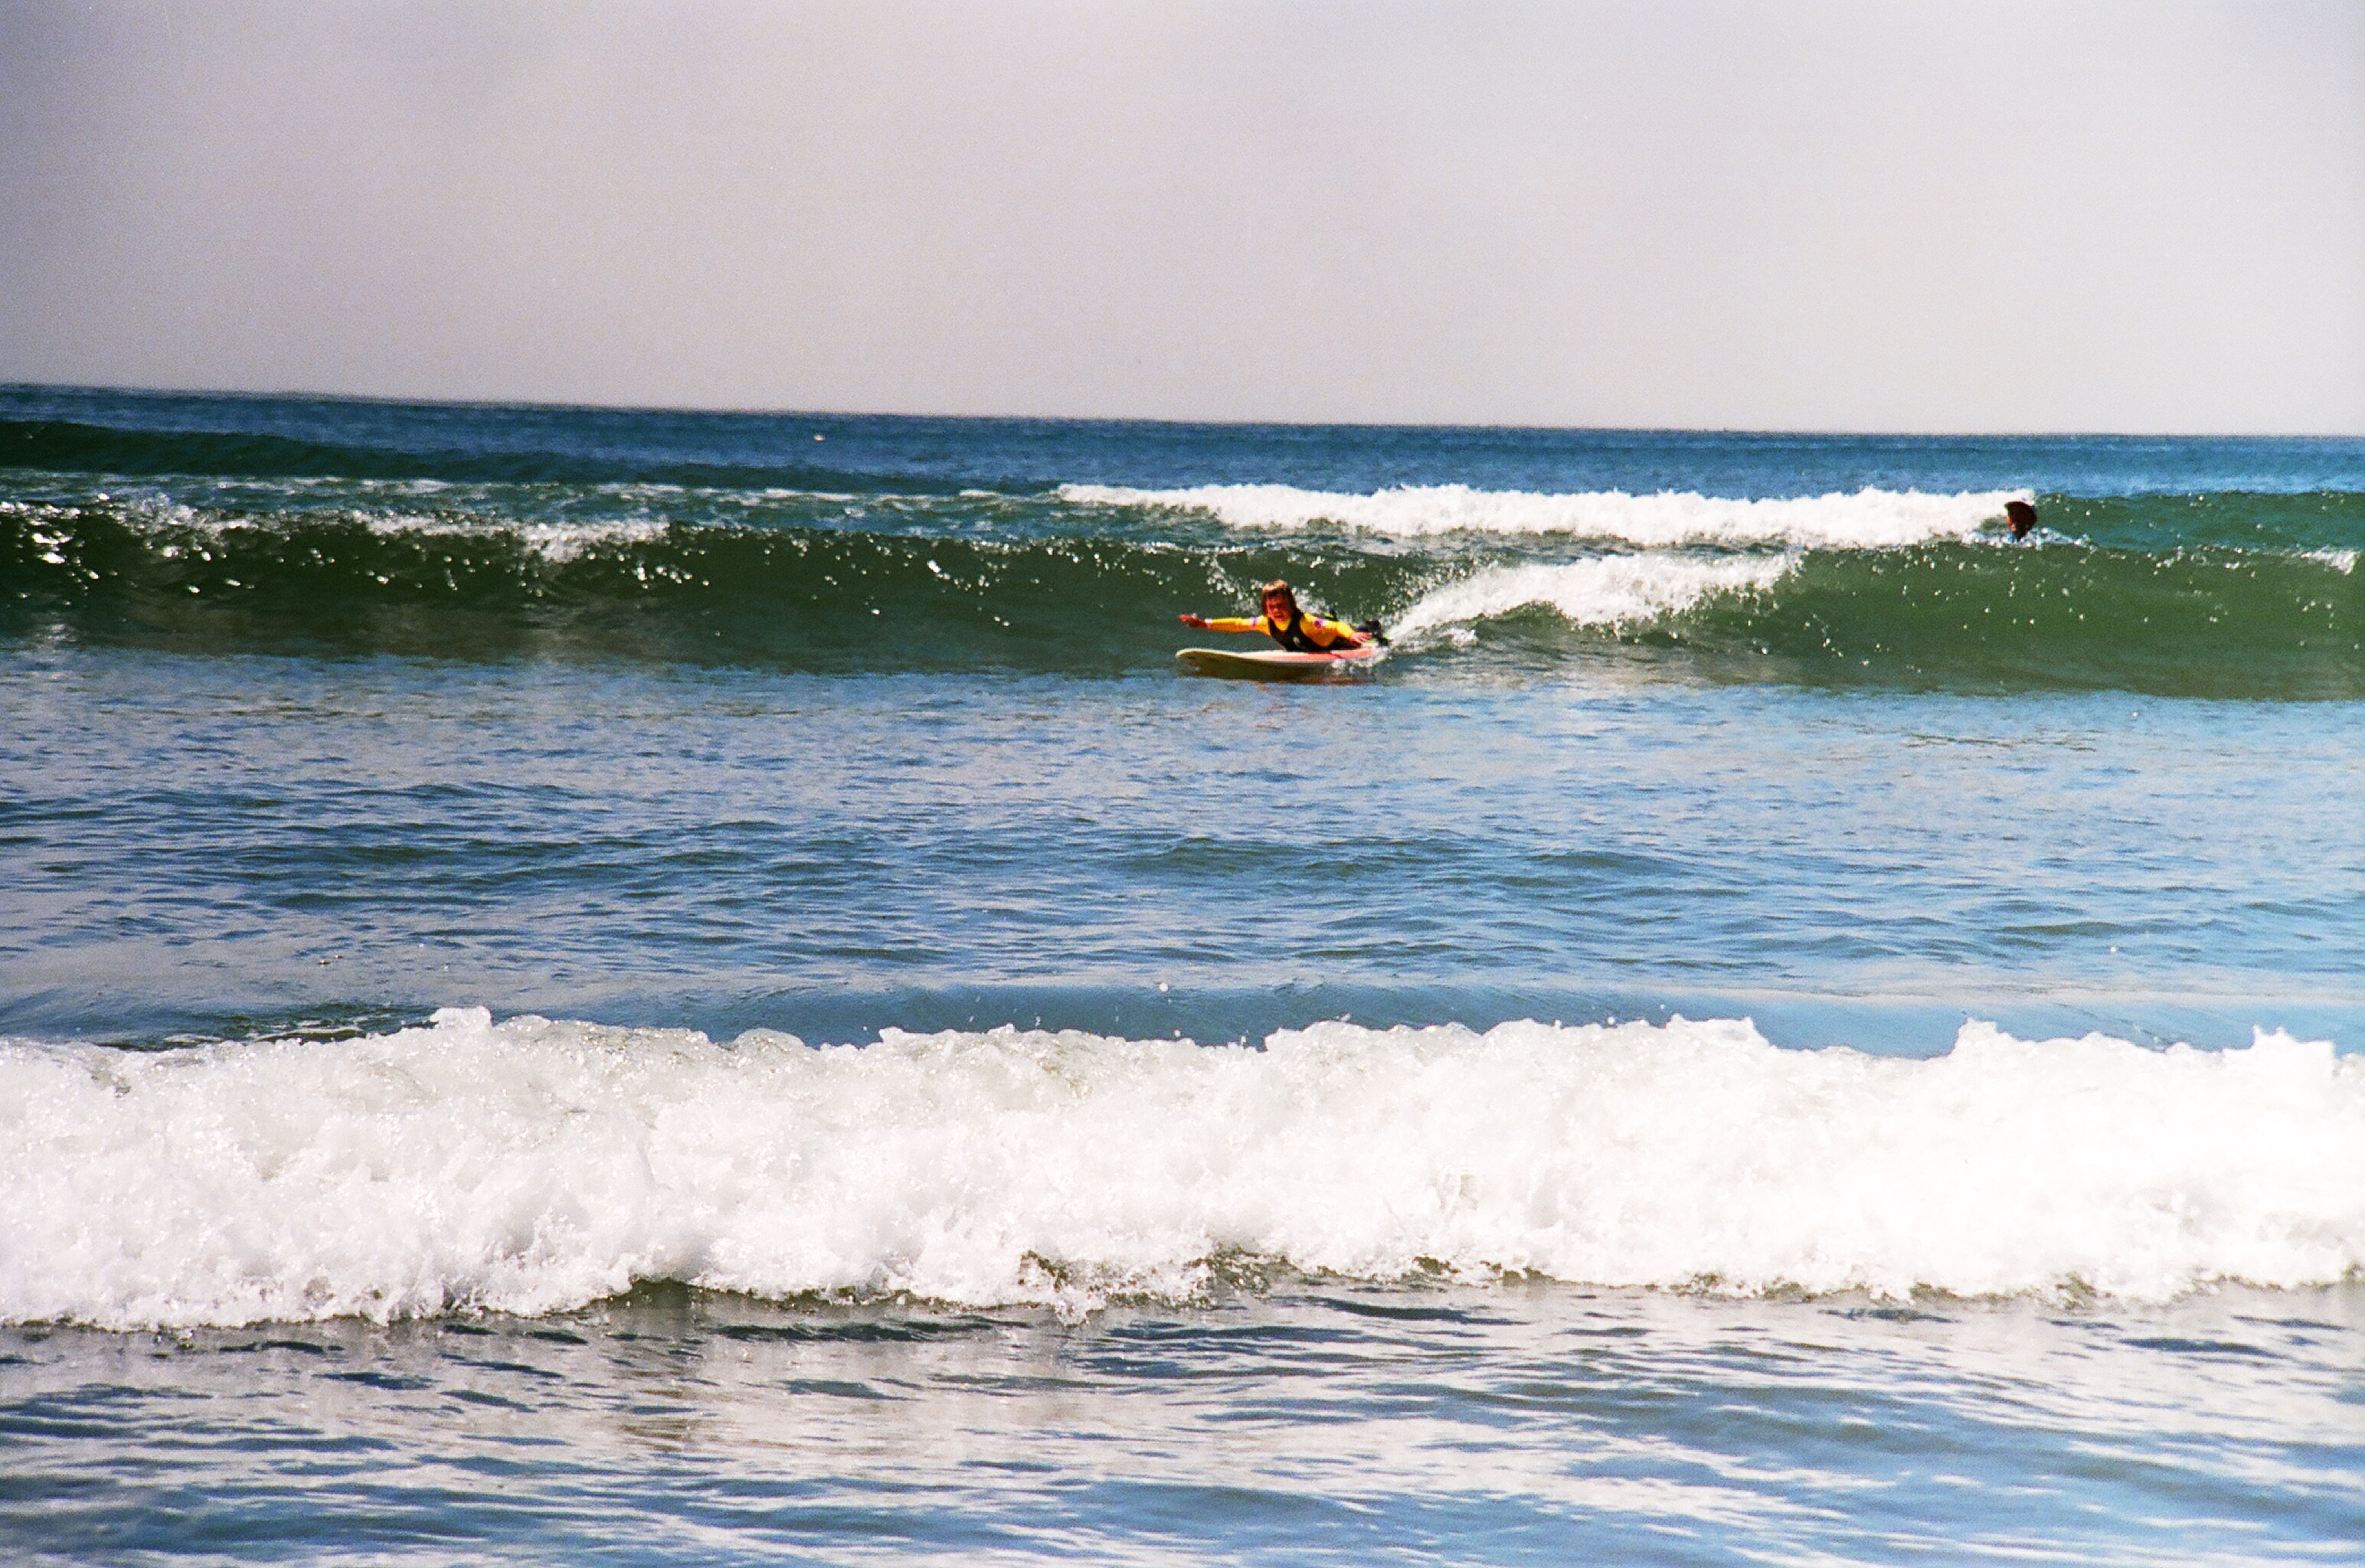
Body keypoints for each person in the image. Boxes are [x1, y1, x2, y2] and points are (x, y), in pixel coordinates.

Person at [1179, 580, 1381, 651]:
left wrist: (1351, 635)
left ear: (1291, 605)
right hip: (1313, 645)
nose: (1276, 611)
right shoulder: (1265, 623)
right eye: (1272, 607)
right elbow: (1238, 624)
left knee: (1361, 636)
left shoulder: (1305, 622)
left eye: (1281, 606)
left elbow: (1336, 628)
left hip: (1336, 644)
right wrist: (1204, 623)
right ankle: (1332, 616)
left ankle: (1372, 627)